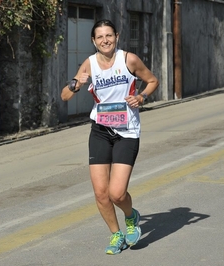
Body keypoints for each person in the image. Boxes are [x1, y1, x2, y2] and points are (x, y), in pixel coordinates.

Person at [61, 19, 158, 254]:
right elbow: (65, 96)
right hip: (100, 130)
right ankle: (116, 235)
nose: (105, 40)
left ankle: (131, 216)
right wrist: (76, 84)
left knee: (117, 193)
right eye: (100, 37)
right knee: (101, 193)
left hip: (127, 131)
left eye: (109, 36)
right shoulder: (89, 64)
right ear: (94, 41)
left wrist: (142, 97)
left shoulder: (129, 60)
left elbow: (152, 80)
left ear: (117, 37)